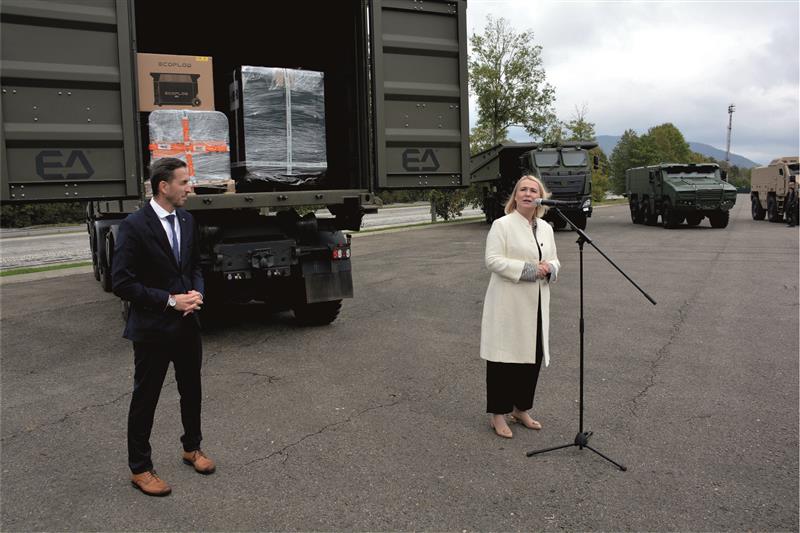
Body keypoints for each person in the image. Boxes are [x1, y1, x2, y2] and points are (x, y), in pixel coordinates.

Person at [112, 157, 214, 496]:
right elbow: (122, 283)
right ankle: (140, 468)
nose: (190, 188)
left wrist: (196, 291)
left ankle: (192, 448)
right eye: (184, 182)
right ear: (164, 186)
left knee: (192, 390)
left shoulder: (187, 220)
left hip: (187, 324)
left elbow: (195, 265)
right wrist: (171, 301)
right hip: (153, 328)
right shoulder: (134, 226)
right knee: (146, 398)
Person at [480, 175, 561, 438]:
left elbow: (555, 260)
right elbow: (492, 260)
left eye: (533, 190)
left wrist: (549, 268)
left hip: (536, 303)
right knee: (504, 359)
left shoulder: (546, 228)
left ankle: (520, 408)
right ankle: (498, 414)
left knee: (531, 357)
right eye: (523, 190)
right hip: (508, 303)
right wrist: (529, 270)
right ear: (515, 196)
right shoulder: (502, 225)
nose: (527, 193)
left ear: (541, 196)